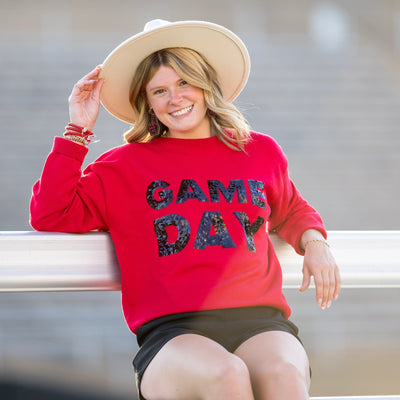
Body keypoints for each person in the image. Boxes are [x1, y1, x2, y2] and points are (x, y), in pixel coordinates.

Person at [30, 19, 341, 400]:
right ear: (147, 102)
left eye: (184, 83)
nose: (174, 98)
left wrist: (315, 243)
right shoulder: (122, 166)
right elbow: (51, 212)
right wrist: (77, 129)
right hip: (173, 333)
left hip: (260, 321)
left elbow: (291, 208)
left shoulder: (259, 151)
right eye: (159, 90)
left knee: (285, 374)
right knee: (225, 376)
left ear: (205, 84)